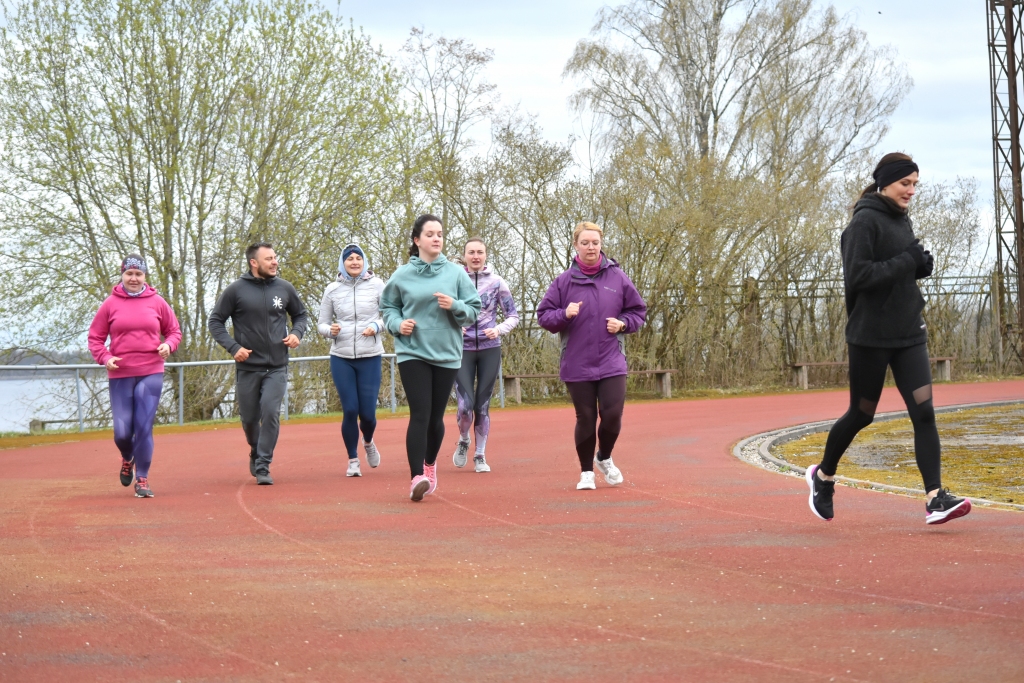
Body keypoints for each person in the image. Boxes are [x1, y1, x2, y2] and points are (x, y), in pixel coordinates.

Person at [806, 153, 971, 525]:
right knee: (862, 414)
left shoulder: (902, 219)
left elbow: (901, 266)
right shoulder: (863, 223)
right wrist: (906, 260)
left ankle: (935, 499)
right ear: (885, 183)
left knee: (924, 413)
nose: (911, 191)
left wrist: (919, 264)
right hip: (870, 337)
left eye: (915, 184)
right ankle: (824, 476)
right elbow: (859, 277)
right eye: (905, 184)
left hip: (909, 333)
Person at [536, 222, 646, 491]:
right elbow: (544, 316)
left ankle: (604, 457)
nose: (590, 247)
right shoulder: (563, 282)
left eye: (595, 242)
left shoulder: (618, 277)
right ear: (576, 246)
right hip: (577, 361)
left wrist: (622, 324)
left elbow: (638, 311)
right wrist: (564, 314)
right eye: (585, 243)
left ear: (601, 245)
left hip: (611, 360)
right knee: (585, 417)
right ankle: (586, 472)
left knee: (612, 415)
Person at [381, 214, 481, 501]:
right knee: (420, 413)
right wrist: (398, 325)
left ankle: (429, 464)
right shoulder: (401, 275)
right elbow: (388, 307)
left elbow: (474, 310)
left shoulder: (456, 274)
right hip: (412, 351)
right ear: (417, 240)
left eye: (440, 233)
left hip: (447, 352)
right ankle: (416, 478)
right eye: (430, 234)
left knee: (436, 417)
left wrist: (455, 305)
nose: (437, 238)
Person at [209, 243, 309, 485]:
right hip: (248, 368)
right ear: (254, 263)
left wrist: (296, 333)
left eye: (275, 257)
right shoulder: (236, 290)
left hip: (276, 366)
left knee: (271, 412)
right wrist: (234, 348)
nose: (275, 262)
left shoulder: (285, 288)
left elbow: (301, 314)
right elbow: (216, 322)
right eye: (269, 259)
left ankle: (263, 465)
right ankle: (255, 449)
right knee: (250, 420)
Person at [88, 254, 181, 498]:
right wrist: (105, 357)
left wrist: (168, 346)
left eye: (138, 274)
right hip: (120, 374)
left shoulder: (158, 302)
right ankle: (127, 457)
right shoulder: (110, 304)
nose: (133, 278)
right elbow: (95, 338)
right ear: (122, 275)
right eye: (129, 273)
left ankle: (142, 479)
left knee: (143, 426)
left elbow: (174, 331)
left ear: (145, 277)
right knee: (121, 432)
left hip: (151, 371)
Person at [317, 243, 385, 477]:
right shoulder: (332, 289)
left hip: (370, 356)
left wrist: (376, 326)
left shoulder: (377, 285)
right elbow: (322, 323)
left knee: (367, 413)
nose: (355, 262)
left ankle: (368, 441)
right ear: (342, 263)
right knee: (350, 409)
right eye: (349, 259)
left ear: (364, 261)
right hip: (341, 357)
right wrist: (330, 330)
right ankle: (353, 460)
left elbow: (391, 315)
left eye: (358, 258)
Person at [453, 237, 519, 473]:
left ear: (486, 255)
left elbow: (513, 315)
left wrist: (498, 329)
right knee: (464, 405)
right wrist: (454, 325)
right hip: (461, 350)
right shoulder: (455, 280)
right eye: (471, 252)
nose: (476, 256)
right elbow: (441, 310)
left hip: (490, 348)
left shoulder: (497, 282)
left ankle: (480, 455)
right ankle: (463, 440)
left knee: (482, 405)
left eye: (480, 252)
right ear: (465, 256)